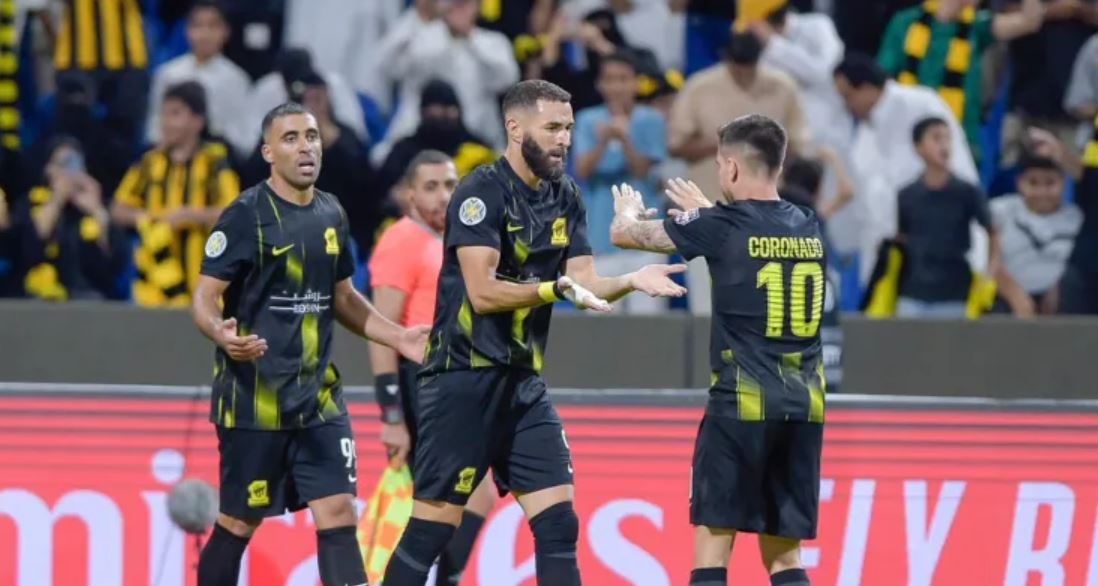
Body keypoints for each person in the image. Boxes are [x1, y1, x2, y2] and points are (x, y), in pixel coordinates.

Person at [381, 79, 688, 586]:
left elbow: (584, 282)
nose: (564, 139)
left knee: (559, 523)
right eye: (552, 128)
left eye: (568, 128)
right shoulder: (480, 192)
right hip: (462, 380)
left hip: (522, 385)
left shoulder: (565, 195)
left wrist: (632, 280)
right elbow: (482, 292)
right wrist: (552, 289)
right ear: (515, 128)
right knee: (430, 532)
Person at [191, 102, 430, 586]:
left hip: (319, 398)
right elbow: (204, 296)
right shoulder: (245, 216)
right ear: (268, 152)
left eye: (312, 136)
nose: (306, 148)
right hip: (254, 401)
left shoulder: (331, 213)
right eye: (291, 138)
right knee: (239, 521)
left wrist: (399, 335)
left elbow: (343, 297)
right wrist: (219, 331)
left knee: (339, 510)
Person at [609, 113, 826, 586]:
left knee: (713, 551)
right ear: (778, 164)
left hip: (740, 406)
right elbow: (751, 240)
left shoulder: (721, 226)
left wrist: (629, 211)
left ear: (730, 167)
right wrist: (707, 214)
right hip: (803, 408)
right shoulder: (807, 224)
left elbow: (623, 236)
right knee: (785, 559)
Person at [368, 150, 494, 585]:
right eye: (431, 187)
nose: (444, 196)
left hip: (453, 386)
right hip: (421, 385)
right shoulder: (401, 240)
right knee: (460, 497)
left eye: (451, 185)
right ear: (410, 195)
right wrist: (391, 417)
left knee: (461, 498)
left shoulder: (453, 239)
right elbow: (382, 332)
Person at [111, 81, 240, 307]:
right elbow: (118, 209)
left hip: (205, 279)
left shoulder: (215, 161)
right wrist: (149, 219)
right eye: (164, 114)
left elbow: (235, 213)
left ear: (197, 121)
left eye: (175, 114)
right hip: (155, 283)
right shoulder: (149, 162)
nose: (166, 122)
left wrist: (190, 216)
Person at [574, 50, 669, 314]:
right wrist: (604, 140)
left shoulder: (652, 120)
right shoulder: (587, 119)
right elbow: (582, 170)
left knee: (647, 321)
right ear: (599, 84)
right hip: (600, 236)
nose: (616, 86)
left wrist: (624, 137)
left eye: (623, 79)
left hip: (645, 239)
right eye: (610, 79)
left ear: (636, 83)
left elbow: (641, 171)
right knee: (600, 320)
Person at [895, 116, 1000, 318]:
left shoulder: (967, 192)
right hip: (912, 291)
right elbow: (902, 238)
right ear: (918, 147)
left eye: (947, 138)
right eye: (936, 138)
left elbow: (993, 231)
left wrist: (989, 274)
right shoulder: (906, 195)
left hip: (954, 291)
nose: (944, 145)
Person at [990, 152, 1082, 316]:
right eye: (1033, 183)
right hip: (1007, 300)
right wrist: (1014, 295)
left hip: (1064, 303)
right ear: (1019, 183)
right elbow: (985, 258)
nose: (1042, 192)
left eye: (1050, 183)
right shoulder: (999, 211)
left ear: (1063, 183)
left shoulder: (1077, 219)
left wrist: (1060, 288)